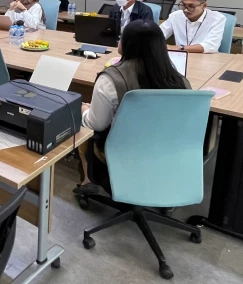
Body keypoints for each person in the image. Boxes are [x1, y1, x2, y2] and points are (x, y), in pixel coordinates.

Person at [74, 20, 190, 195]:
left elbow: (96, 124)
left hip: (122, 156)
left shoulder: (110, 79)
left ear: (126, 44)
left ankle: (87, 180)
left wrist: (83, 109)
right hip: (168, 155)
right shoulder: (181, 81)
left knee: (80, 119)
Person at [160, 0, 226, 54]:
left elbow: (211, 46)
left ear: (204, 6)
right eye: (183, 5)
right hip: (179, 56)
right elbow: (157, 35)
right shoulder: (175, 16)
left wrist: (180, 48)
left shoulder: (217, 19)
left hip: (205, 58)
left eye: (191, 6)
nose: (185, 10)